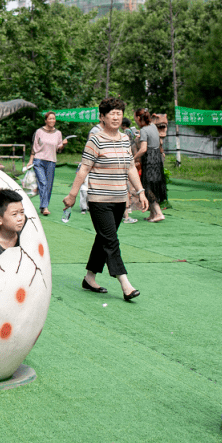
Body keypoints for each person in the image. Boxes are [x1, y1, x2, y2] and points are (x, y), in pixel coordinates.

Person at [63, 97, 149, 301]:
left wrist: (140, 191)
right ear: (102, 117)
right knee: (111, 241)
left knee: (103, 239)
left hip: (120, 199)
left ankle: (89, 277)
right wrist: (73, 194)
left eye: (119, 113)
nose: (116, 116)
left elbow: (130, 167)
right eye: (112, 113)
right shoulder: (95, 140)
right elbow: (84, 168)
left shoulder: (124, 139)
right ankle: (125, 284)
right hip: (99, 199)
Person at [24, 112, 67, 216]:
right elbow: (34, 147)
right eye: (50, 119)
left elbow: (58, 148)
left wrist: (63, 145)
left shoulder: (58, 133)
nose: (52, 120)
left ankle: (43, 205)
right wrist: (30, 160)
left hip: (51, 161)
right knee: (43, 182)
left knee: (48, 185)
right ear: (46, 120)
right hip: (38, 160)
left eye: (54, 119)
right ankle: (45, 207)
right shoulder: (39, 131)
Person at [133, 108, 165, 222]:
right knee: (153, 185)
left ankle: (159, 213)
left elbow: (143, 149)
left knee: (148, 187)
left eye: (134, 117)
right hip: (157, 158)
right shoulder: (152, 126)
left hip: (149, 159)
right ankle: (152, 214)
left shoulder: (144, 130)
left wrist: (133, 158)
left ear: (138, 118)